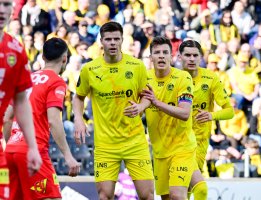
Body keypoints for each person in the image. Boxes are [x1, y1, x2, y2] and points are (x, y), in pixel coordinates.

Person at [73, 21, 154, 200]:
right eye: (108, 39)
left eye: (116, 39)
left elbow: (148, 96)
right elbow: (78, 97)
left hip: (135, 141)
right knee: (105, 195)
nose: (112, 43)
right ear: (101, 41)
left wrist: (140, 106)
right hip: (105, 143)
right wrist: (78, 119)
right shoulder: (89, 70)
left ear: (122, 40)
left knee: (147, 195)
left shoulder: (137, 66)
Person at [4, 38, 81, 200]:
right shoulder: (56, 82)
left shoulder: (26, 78)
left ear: (43, 58)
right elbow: (54, 120)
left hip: (11, 151)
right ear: (65, 58)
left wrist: (11, 146)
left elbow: (7, 118)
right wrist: (68, 155)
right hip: (33, 151)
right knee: (52, 198)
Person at [141, 36, 203, 200]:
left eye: (165, 52)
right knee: (167, 198)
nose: (161, 56)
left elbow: (184, 113)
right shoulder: (144, 79)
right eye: (157, 53)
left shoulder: (183, 78)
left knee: (177, 195)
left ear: (172, 56)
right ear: (151, 57)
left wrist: (156, 102)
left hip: (182, 149)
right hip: (160, 151)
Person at [179, 39, 234, 199]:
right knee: (190, 190)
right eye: (187, 55)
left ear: (201, 57)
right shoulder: (173, 78)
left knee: (191, 190)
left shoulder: (211, 78)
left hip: (200, 142)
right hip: (177, 142)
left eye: (195, 55)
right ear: (180, 57)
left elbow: (229, 112)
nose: (191, 59)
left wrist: (211, 115)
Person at [0, 0, 42, 199]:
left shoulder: (16, 49)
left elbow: (21, 101)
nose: (1, 9)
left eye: (6, 4)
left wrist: (32, 147)